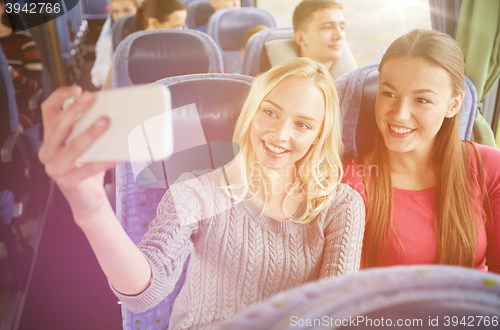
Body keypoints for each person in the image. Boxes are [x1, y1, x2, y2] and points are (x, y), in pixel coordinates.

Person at [38, 58, 365, 329]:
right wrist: (92, 209)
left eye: (303, 125)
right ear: (251, 111)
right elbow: (143, 294)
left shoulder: (341, 206)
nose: (279, 133)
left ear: (319, 137)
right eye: (270, 112)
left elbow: (334, 315)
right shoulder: (200, 189)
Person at [342, 29, 500, 273]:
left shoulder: (489, 167)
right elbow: (351, 291)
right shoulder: (350, 182)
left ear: (453, 105)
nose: (400, 114)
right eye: (389, 94)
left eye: (422, 100)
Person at [99, 0, 187, 90]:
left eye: (182, 26)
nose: (181, 31)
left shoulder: (186, 50)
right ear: (154, 23)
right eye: (175, 26)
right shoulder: (126, 52)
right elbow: (109, 92)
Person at [0, 0, 42, 129]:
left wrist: (13, 75)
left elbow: (35, 87)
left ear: (2, 8)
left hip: (18, 109)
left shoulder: (23, 41)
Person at [292, 0, 355, 78]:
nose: (339, 36)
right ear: (301, 39)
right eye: (327, 27)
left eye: (342, 27)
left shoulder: (357, 84)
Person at [91, 0, 142, 89]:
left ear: (139, 11)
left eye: (127, 11)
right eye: (115, 12)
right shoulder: (109, 40)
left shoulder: (149, 36)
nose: (121, 16)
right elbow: (98, 75)